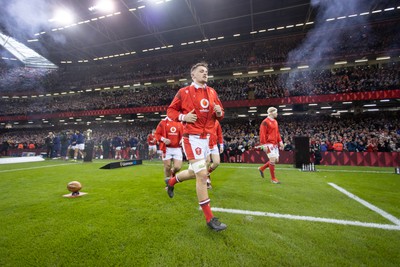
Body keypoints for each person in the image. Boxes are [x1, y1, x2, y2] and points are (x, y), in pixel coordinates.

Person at [166, 62, 227, 231]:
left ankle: (171, 181)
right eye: (201, 71)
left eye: (206, 71)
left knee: (194, 172)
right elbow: (170, 112)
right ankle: (210, 219)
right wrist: (184, 117)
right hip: (191, 139)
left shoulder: (212, 92)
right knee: (202, 174)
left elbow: (220, 113)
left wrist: (219, 112)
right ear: (193, 75)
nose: (205, 73)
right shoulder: (183, 92)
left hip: (208, 139)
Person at [257, 107, 284, 184]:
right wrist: (263, 145)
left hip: (275, 144)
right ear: (271, 113)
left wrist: (280, 141)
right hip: (268, 144)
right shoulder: (265, 122)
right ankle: (273, 179)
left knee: (276, 160)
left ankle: (262, 168)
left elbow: (277, 133)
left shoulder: (275, 121)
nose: (277, 113)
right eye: (276, 112)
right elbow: (262, 134)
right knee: (272, 160)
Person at [155, 117, 184, 188]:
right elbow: (157, 134)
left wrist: (182, 139)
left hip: (177, 148)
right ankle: (168, 184)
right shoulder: (163, 122)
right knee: (167, 166)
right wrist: (163, 139)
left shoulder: (180, 122)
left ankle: (172, 172)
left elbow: (185, 133)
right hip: (166, 148)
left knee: (177, 167)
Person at [206, 120, 224, 189]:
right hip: (205, 144)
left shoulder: (216, 122)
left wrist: (221, 145)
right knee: (207, 162)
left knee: (216, 162)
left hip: (214, 145)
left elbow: (219, 134)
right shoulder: (204, 119)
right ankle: (207, 181)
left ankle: (207, 173)